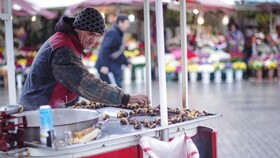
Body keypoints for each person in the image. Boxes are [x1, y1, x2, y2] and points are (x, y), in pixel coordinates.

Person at [19, 8, 150, 111]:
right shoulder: (62, 49)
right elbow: (86, 84)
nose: (93, 40)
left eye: (98, 36)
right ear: (78, 29)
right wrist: (126, 98)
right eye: (90, 34)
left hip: (50, 106)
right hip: (37, 111)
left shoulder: (70, 41)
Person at [95, 14, 132, 88]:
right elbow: (105, 49)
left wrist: (126, 62)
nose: (128, 26)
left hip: (112, 67)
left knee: (116, 91)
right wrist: (104, 65)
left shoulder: (118, 33)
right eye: (126, 23)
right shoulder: (113, 33)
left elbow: (117, 51)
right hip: (107, 68)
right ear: (120, 23)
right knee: (114, 91)